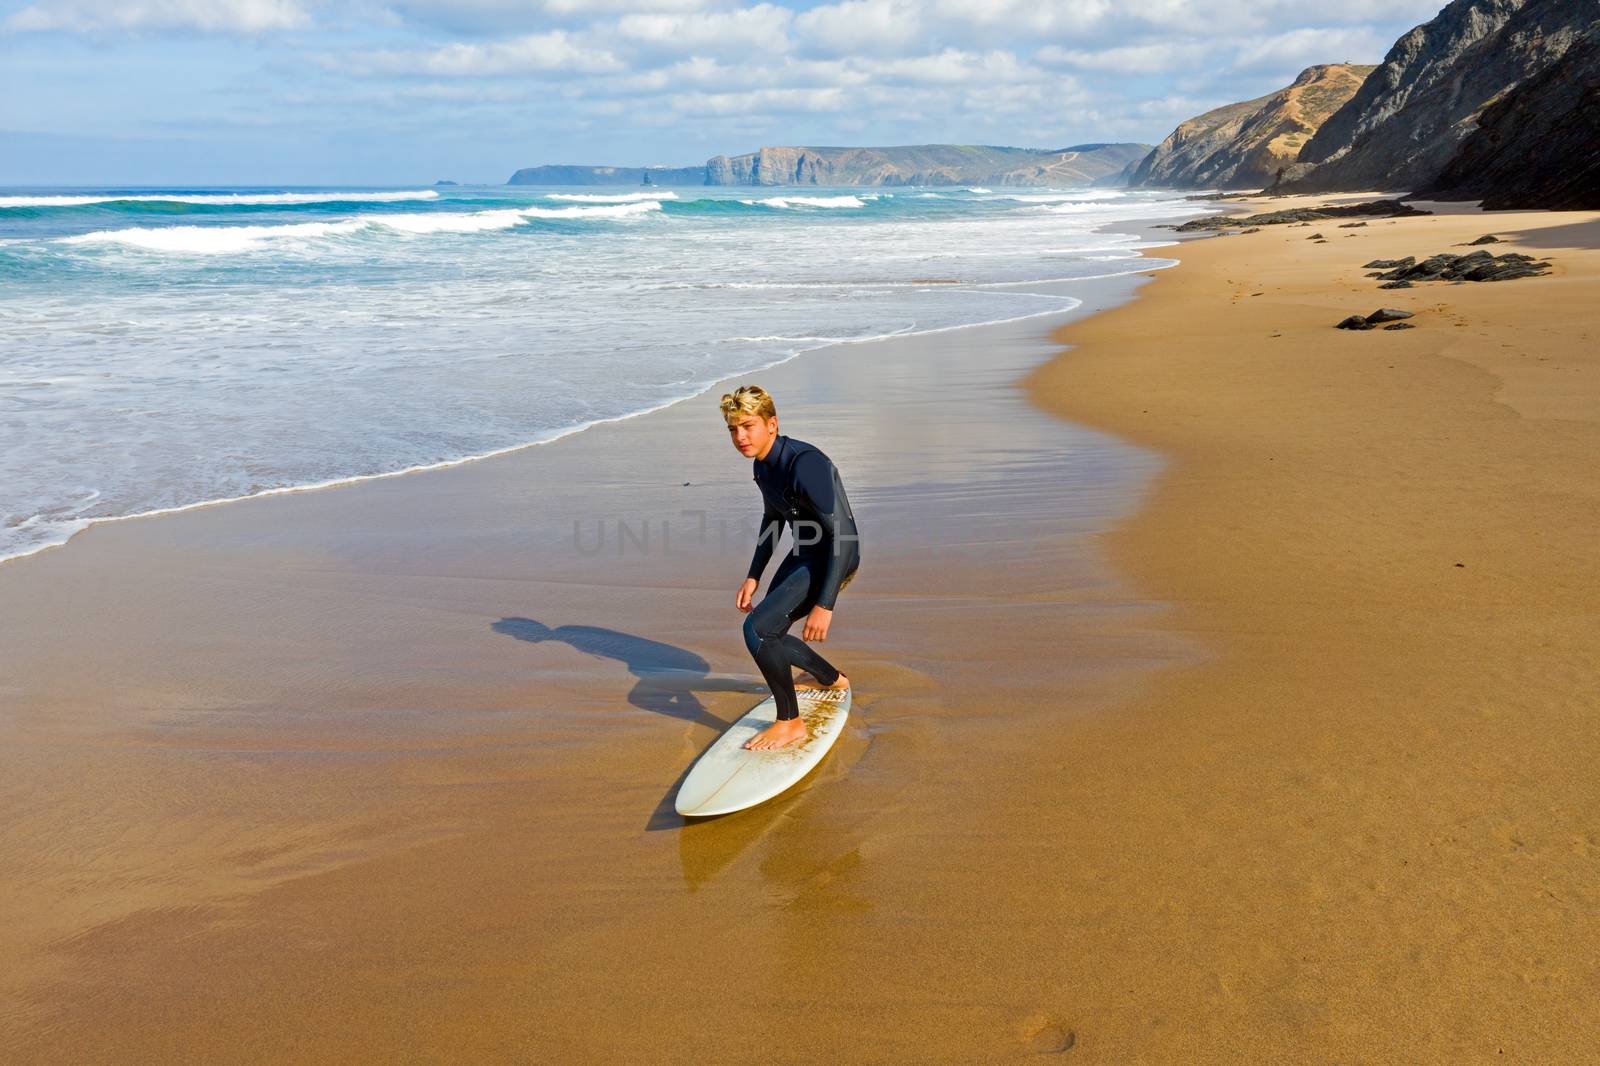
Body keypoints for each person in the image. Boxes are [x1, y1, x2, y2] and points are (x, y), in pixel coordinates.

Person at [721, 384, 860, 750]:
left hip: (835, 555)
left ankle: (790, 723)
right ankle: (831, 679)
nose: (740, 436)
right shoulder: (762, 467)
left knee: (758, 630)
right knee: (771, 630)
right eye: (733, 429)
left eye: (748, 426)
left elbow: (843, 537)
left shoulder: (806, 464)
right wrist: (754, 575)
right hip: (805, 553)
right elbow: (773, 521)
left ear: (772, 424)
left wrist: (824, 605)